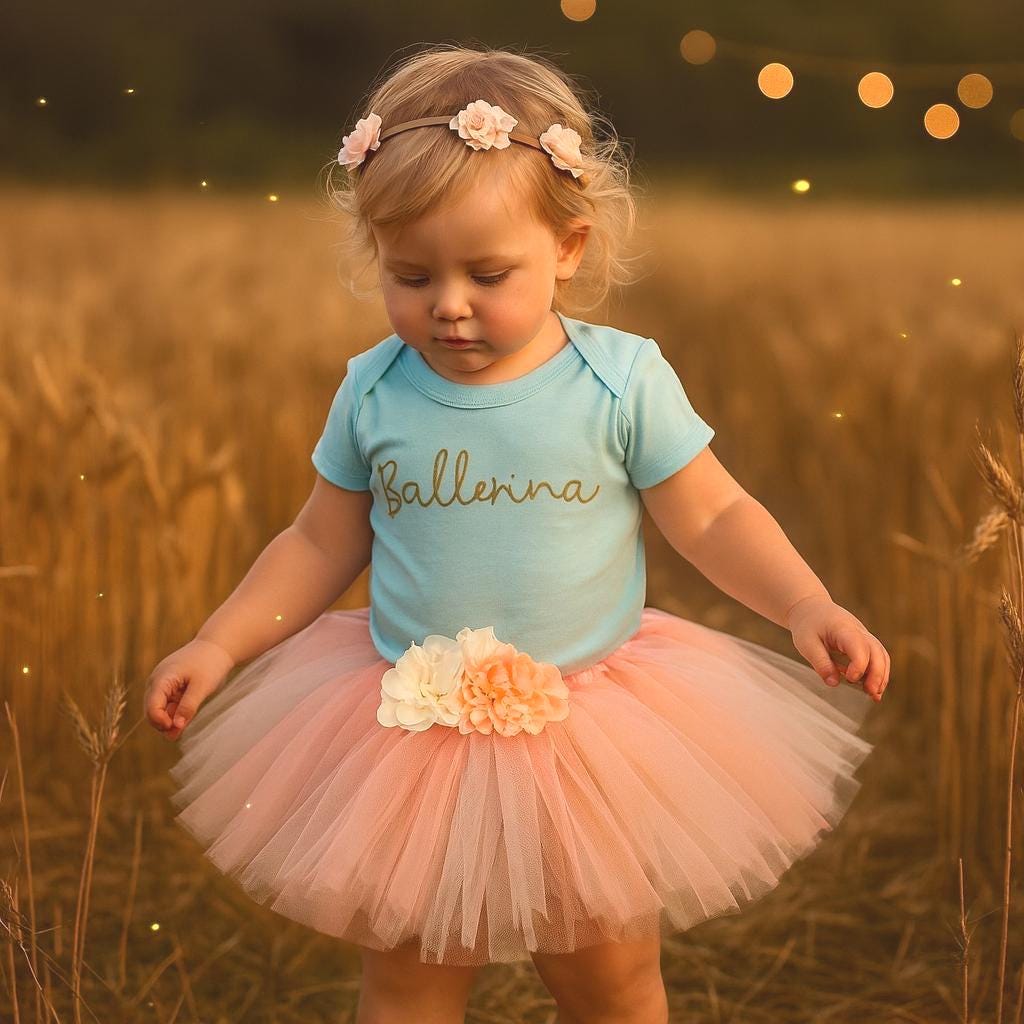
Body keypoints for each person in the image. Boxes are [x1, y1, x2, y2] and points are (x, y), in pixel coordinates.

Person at [143, 42, 887, 1024]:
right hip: (408, 730)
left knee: (607, 977)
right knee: (405, 981)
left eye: (487, 273)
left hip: (587, 732)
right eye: (410, 275)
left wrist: (802, 601)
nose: (448, 305)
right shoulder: (374, 389)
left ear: (568, 248)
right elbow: (318, 541)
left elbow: (710, 511)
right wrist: (219, 639)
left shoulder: (618, 379)